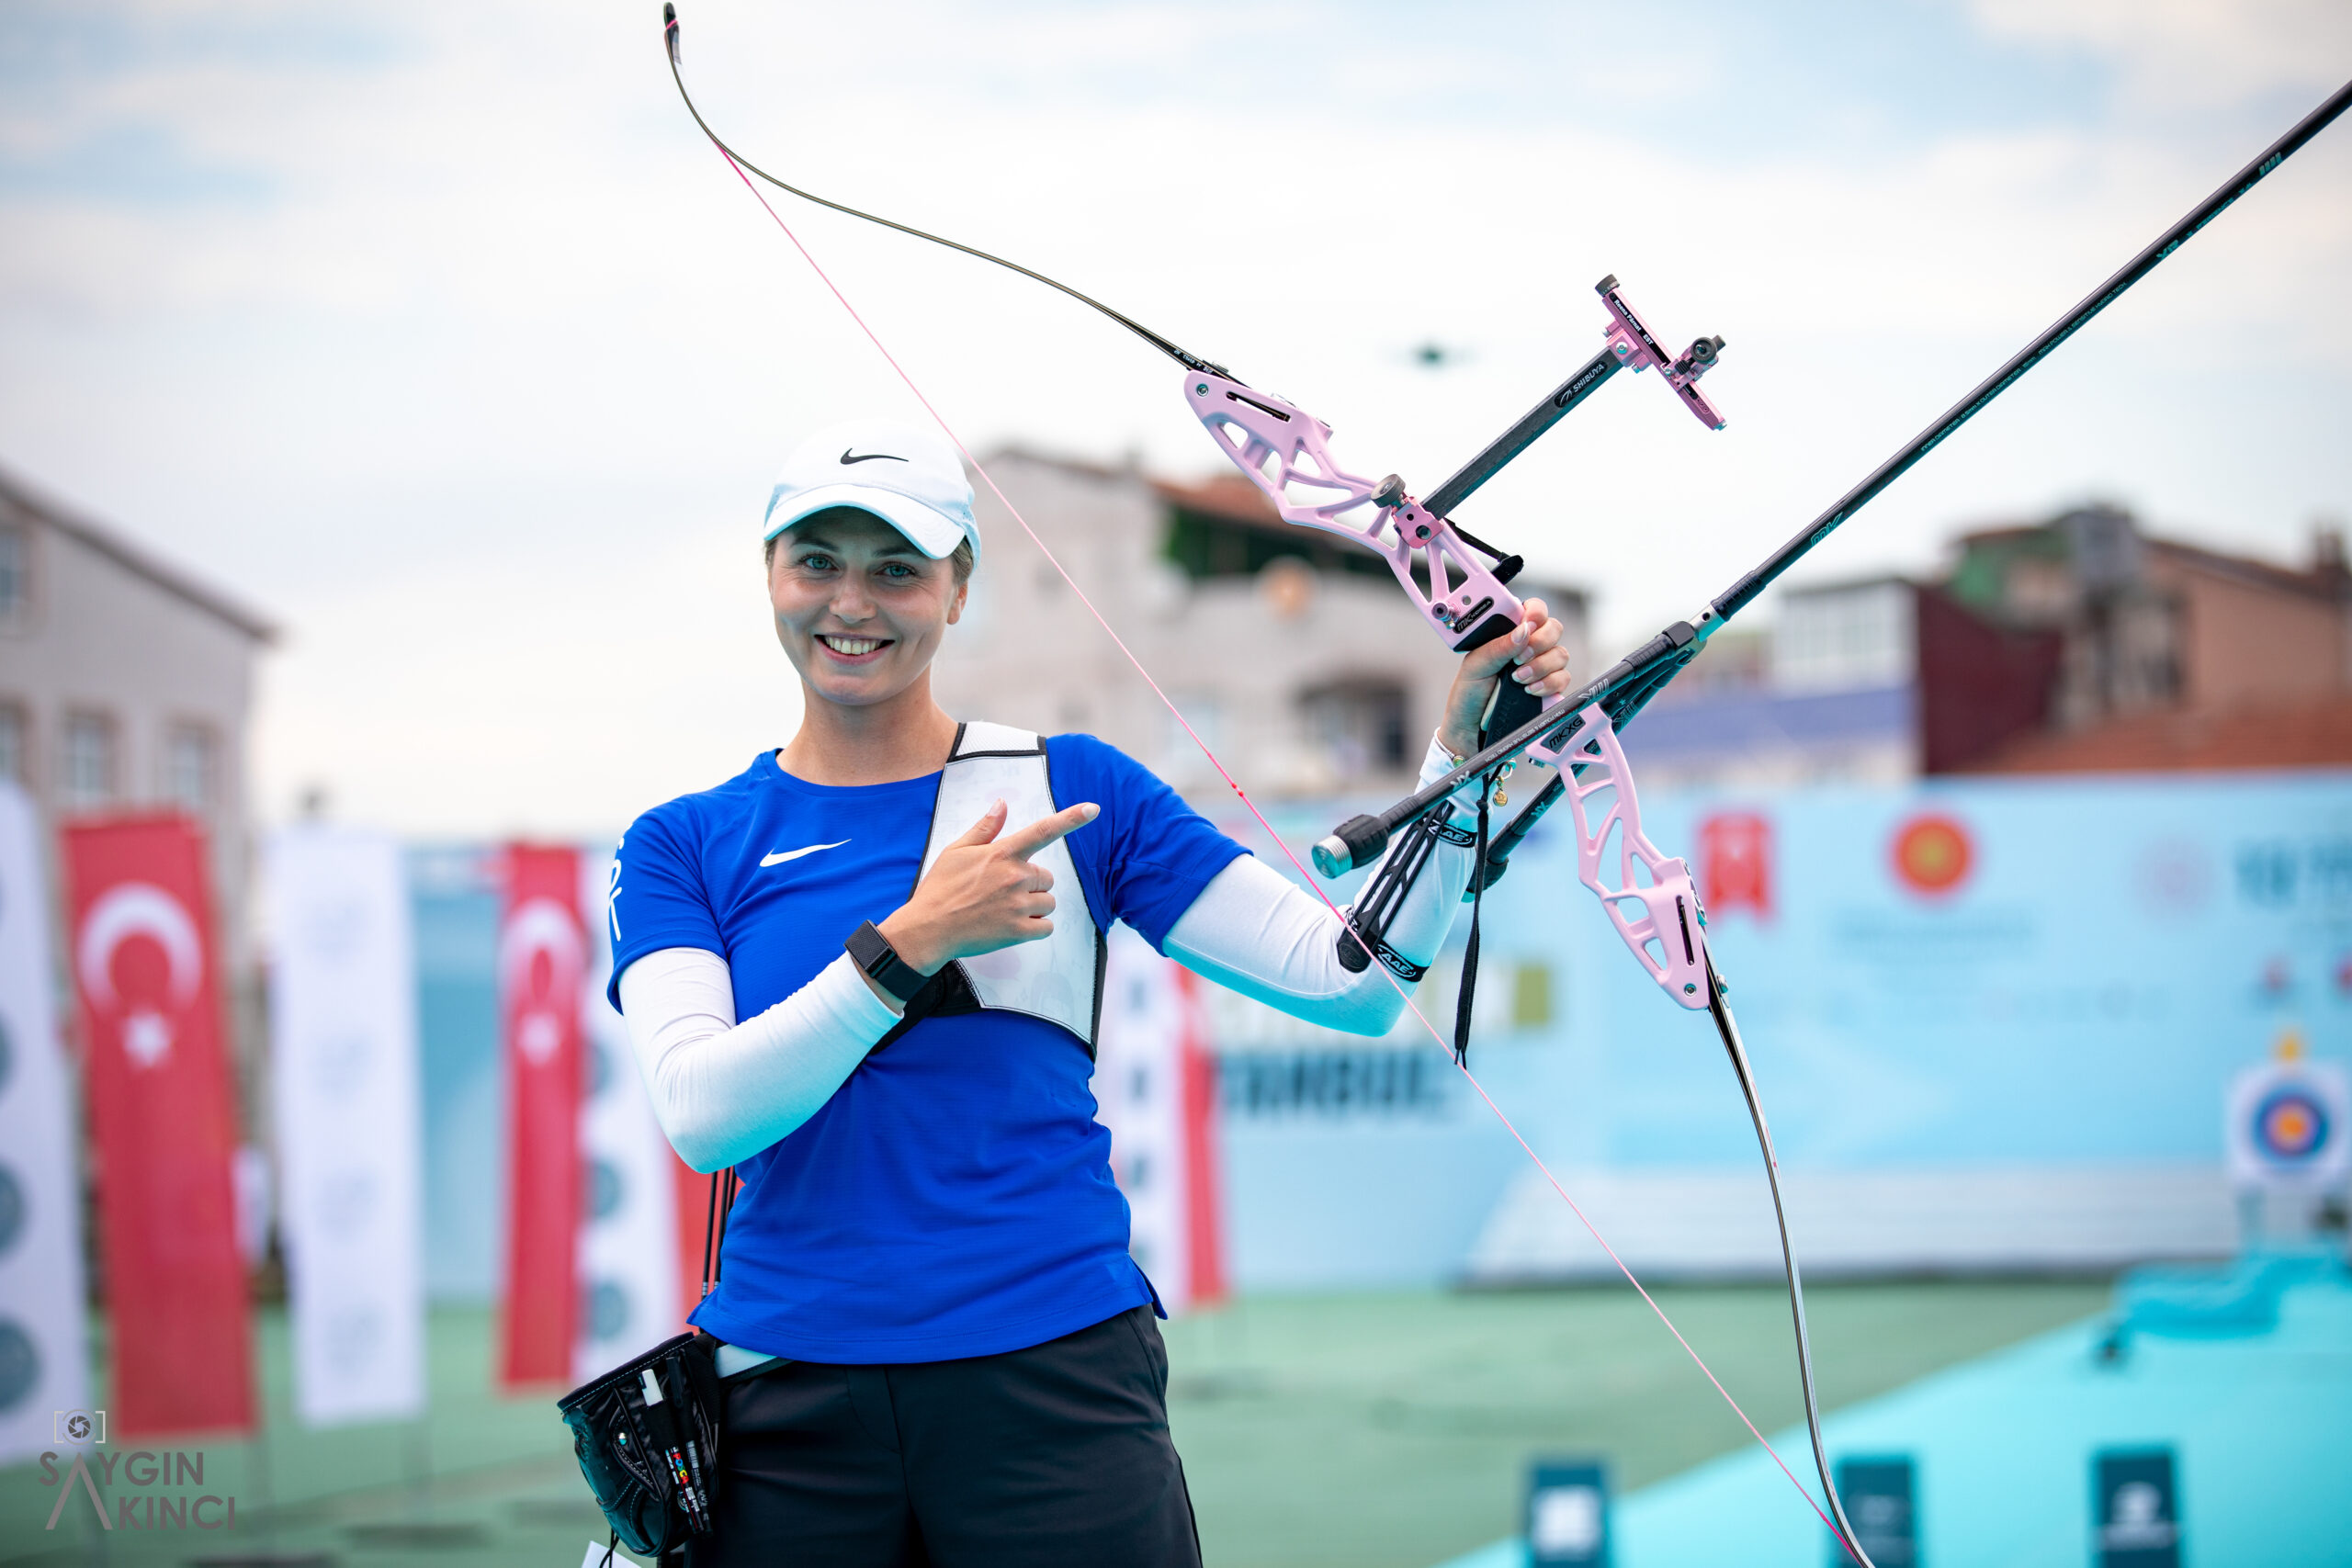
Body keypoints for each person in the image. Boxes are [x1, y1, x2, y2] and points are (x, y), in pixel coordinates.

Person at [608, 418, 1573, 1567]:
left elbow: (1349, 982)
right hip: (785, 1405)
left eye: (896, 569)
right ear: (769, 573)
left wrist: (1462, 771)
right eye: (816, 562)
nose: (851, 603)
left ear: (960, 587)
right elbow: (704, 1115)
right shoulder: (682, 842)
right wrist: (912, 941)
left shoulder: (1072, 787)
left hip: (1053, 1383)